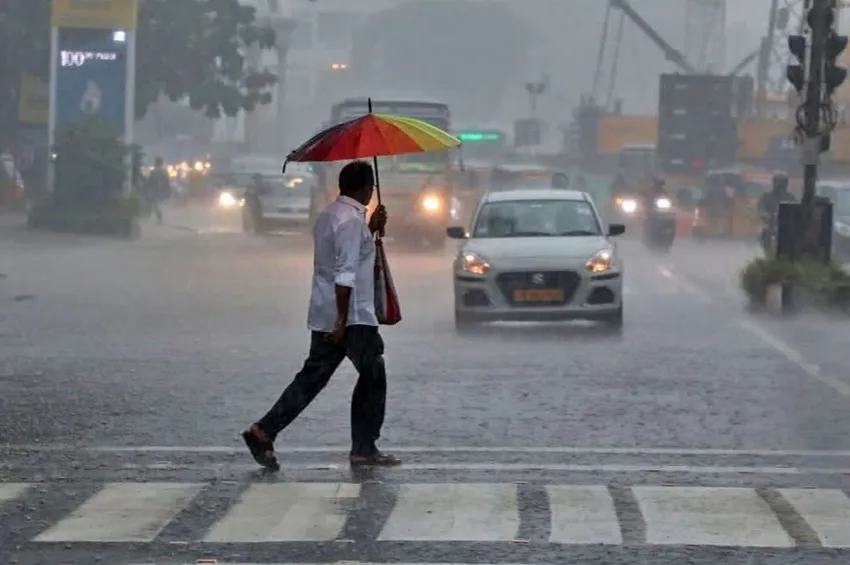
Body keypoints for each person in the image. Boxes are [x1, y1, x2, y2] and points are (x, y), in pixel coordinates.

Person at [242, 160, 400, 470]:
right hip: (352, 316)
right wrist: (341, 321)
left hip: (326, 311)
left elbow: (344, 255)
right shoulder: (351, 221)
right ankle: (364, 448)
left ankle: (264, 430)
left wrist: (370, 229)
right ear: (365, 188)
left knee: (312, 378)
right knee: (373, 374)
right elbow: (345, 272)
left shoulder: (331, 215)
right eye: (371, 187)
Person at [145, 157, 171, 224]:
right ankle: (157, 217)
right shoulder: (164, 171)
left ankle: (155, 216)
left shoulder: (154, 171)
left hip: (155, 191)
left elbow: (149, 181)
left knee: (154, 205)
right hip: (161, 191)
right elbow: (167, 181)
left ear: (156, 163)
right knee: (157, 204)